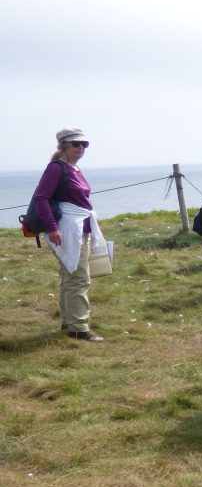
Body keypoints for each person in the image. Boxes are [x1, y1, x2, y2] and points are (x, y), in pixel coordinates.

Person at [32, 128, 105, 342]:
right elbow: (41, 198)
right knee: (79, 279)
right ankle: (79, 327)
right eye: (76, 144)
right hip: (69, 229)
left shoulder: (75, 168)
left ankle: (68, 322)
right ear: (63, 145)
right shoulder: (56, 169)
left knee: (69, 277)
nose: (81, 147)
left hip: (81, 226)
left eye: (84, 144)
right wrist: (52, 227)